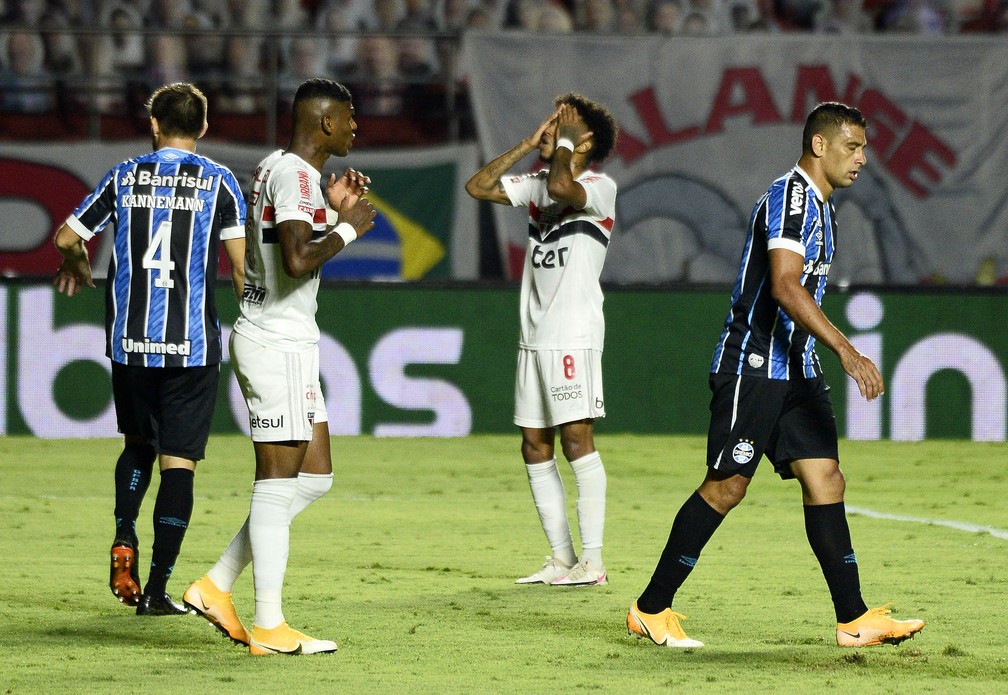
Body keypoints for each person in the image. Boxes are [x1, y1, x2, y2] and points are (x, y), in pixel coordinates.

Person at [627, 102, 926, 649]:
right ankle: (651, 608)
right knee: (727, 487)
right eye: (853, 147)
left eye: (864, 147)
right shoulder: (790, 199)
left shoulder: (825, 206)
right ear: (819, 146)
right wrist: (847, 350)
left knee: (827, 479)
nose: (863, 158)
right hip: (754, 366)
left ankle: (853, 619)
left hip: (797, 371)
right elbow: (786, 286)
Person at [183, 78, 376, 656]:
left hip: (280, 339)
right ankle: (268, 625)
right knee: (275, 483)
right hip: (278, 343)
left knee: (313, 476)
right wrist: (349, 227)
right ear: (324, 124)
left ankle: (216, 585)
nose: (354, 127)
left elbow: (285, 243)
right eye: (347, 118)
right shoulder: (293, 175)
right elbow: (294, 261)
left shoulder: (280, 168)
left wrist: (331, 207)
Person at [52, 82, 247, 616]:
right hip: (191, 348)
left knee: (137, 443)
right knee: (178, 464)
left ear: (154, 125)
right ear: (203, 129)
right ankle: (158, 590)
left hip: (130, 343)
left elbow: (68, 237)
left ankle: (123, 534)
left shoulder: (124, 175)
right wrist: (256, 313)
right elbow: (239, 266)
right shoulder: (220, 181)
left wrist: (75, 262)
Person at [465, 93, 619, 587]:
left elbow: (560, 183)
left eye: (561, 122)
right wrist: (528, 143)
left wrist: (564, 147)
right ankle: (562, 559)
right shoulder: (537, 183)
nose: (549, 127)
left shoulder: (597, 187)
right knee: (534, 445)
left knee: (577, 440)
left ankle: (593, 562)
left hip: (572, 336)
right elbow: (477, 185)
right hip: (533, 337)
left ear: (585, 140)